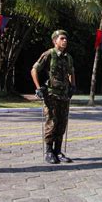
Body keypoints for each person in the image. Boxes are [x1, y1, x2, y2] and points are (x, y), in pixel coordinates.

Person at [31, 29, 76, 164]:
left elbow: (71, 72)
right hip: (51, 95)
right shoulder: (48, 54)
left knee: (62, 124)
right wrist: (38, 87)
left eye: (66, 39)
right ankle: (49, 151)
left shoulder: (68, 57)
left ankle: (58, 151)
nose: (65, 41)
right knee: (52, 123)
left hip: (64, 95)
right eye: (62, 38)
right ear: (54, 41)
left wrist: (73, 86)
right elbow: (34, 70)